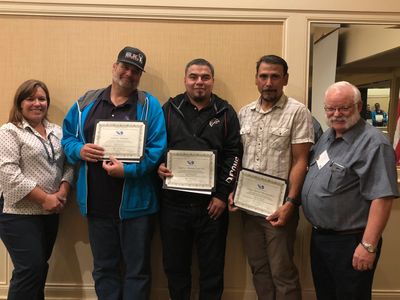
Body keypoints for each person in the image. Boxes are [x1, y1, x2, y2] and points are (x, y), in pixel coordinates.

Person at [61, 46, 167, 300]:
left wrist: (128, 171)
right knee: (104, 268)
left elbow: (156, 148)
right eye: (125, 67)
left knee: (137, 271)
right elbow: (67, 138)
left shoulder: (149, 105)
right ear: (114, 67)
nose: (129, 74)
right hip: (96, 204)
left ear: (140, 76)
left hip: (138, 206)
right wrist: (79, 150)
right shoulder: (86, 101)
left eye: (135, 71)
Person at [301, 81, 398, 300]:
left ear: (359, 106)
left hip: (350, 241)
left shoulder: (375, 144)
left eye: (344, 108)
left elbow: (382, 198)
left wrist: (368, 246)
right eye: (330, 109)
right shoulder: (327, 136)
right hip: (320, 238)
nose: (336, 114)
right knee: (326, 295)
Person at [229, 55, 314, 300]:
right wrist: (235, 190)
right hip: (248, 209)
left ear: (285, 79)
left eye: (275, 76)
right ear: (256, 79)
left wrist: (291, 203)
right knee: (259, 269)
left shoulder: (297, 112)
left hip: (278, 210)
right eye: (264, 76)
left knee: (282, 273)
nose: (269, 82)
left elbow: (301, 161)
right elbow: (238, 157)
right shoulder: (245, 113)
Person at [157, 58, 241, 300]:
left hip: (212, 207)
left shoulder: (225, 112)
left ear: (212, 81)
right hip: (173, 204)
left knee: (212, 271)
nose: (199, 82)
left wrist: (222, 196)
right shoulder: (169, 109)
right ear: (185, 80)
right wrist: (159, 166)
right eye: (194, 76)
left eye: (205, 77)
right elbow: (156, 146)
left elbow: (234, 156)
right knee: (175, 268)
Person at [0, 79, 73, 300]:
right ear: (20, 103)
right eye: (30, 99)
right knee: (29, 269)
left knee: (39, 269)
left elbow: (69, 164)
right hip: (17, 213)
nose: (37, 103)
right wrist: (44, 198)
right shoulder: (9, 131)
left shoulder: (57, 131)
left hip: (50, 212)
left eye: (42, 99)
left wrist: (63, 191)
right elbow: (8, 174)